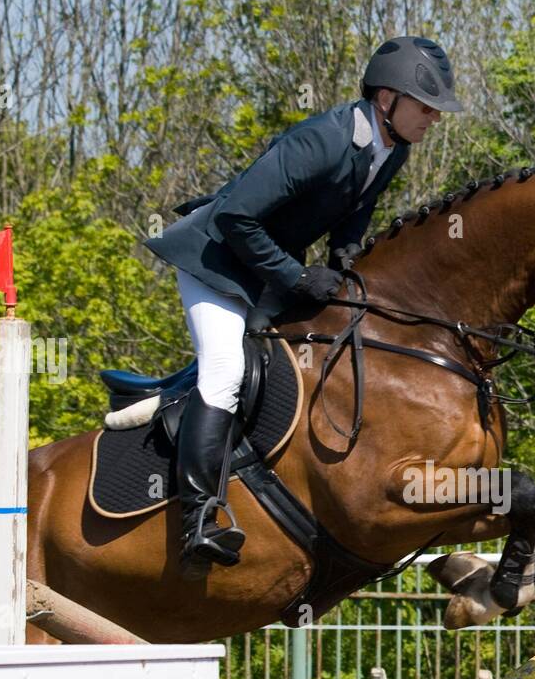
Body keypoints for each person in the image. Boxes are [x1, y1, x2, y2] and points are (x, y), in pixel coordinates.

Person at [145, 35, 463, 576]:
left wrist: (347, 267)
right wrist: (296, 276)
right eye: (426, 105)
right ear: (387, 99)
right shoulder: (322, 140)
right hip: (215, 263)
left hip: (266, 269)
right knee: (224, 371)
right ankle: (197, 520)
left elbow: (353, 216)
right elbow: (235, 218)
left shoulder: (393, 149)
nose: (434, 117)